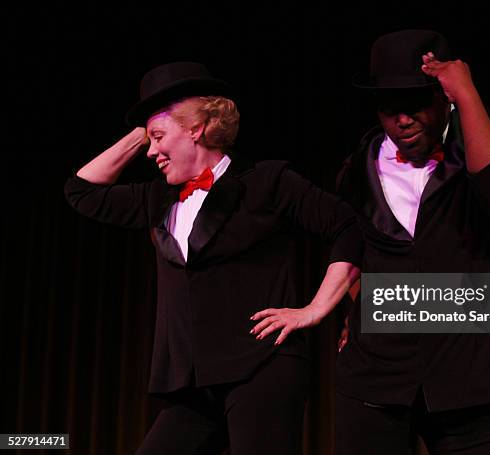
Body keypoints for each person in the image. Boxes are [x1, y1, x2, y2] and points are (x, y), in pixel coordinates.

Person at [64, 61, 361, 455]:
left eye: (158, 138)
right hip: (191, 383)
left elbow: (349, 227)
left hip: (262, 367)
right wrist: (144, 129)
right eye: (149, 141)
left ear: (196, 129)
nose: (151, 152)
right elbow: (80, 191)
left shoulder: (265, 182)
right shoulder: (157, 198)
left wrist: (315, 309)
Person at [334, 30, 490, 454]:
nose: (403, 120)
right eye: (390, 109)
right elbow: (353, 244)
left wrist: (467, 94)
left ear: (445, 96)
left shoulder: (486, 134)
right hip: (376, 384)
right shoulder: (362, 164)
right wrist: (363, 307)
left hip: (469, 381)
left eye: (415, 104)